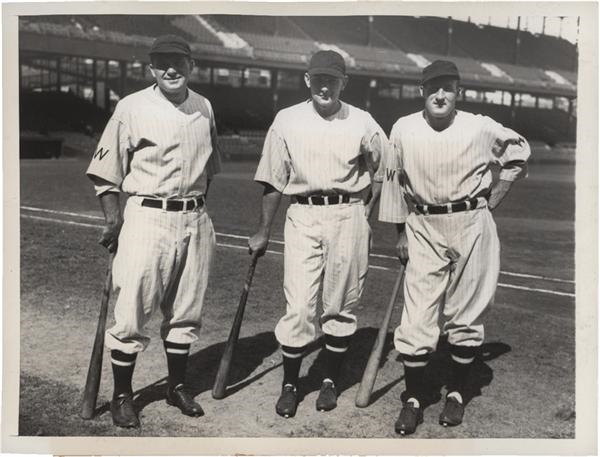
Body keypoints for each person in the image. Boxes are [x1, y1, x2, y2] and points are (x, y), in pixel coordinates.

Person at [375, 60, 530, 435]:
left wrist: (498, 192)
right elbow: (395, 184)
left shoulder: (479, 126)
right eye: (432, 88)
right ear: (422, 91)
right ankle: (413, 399)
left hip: (471, 223)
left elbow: (519, 151)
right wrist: (401, 234)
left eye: (447, 87)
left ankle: (457, 393)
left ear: (457, 91)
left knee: (465, 316)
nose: (440, 95)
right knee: (415, 320)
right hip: (423, 225)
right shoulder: (404, 128)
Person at [86, 34, 221, 428]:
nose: (171, 69)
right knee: (131, 311)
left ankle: (176, 386)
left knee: (186, 310)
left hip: (195, 218)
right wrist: (113, 220)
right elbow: (105, 171)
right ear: (151, 69)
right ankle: (122, 395)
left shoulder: (204, 107)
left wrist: (194, 206)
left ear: (191, 65)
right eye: (162, 63)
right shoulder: (131, 107)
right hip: (147, 215)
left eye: (178, 61)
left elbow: (209, 169)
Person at [248, 50, 386, 418]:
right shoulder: (287, 120)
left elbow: (384, 168)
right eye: (319, 79)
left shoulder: (363, 122)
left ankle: (329, 381)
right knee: (299, 307)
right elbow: (274, 180)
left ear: (344, 83)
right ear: (308, 80)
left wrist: (366, 208)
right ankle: (291, 385)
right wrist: (263, 230)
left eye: (333, 80)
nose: (326, 86)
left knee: (341, 305)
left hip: (348, 215)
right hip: (303, 214)